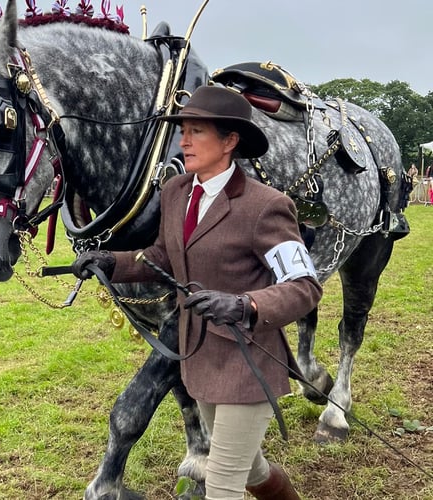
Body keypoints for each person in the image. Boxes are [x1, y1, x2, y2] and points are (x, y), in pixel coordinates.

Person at [71, 86, 322, 499]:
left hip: (248, 364)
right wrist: (110, 262)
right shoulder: (176, 192)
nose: (183, 141)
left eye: (197, 131)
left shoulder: (266, 206)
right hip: (198, 359)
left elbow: (304, 286)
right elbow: (162, 256)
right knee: (253, 470)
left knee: (222, 485)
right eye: (183, 131)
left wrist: (247, 304)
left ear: (229, 141)